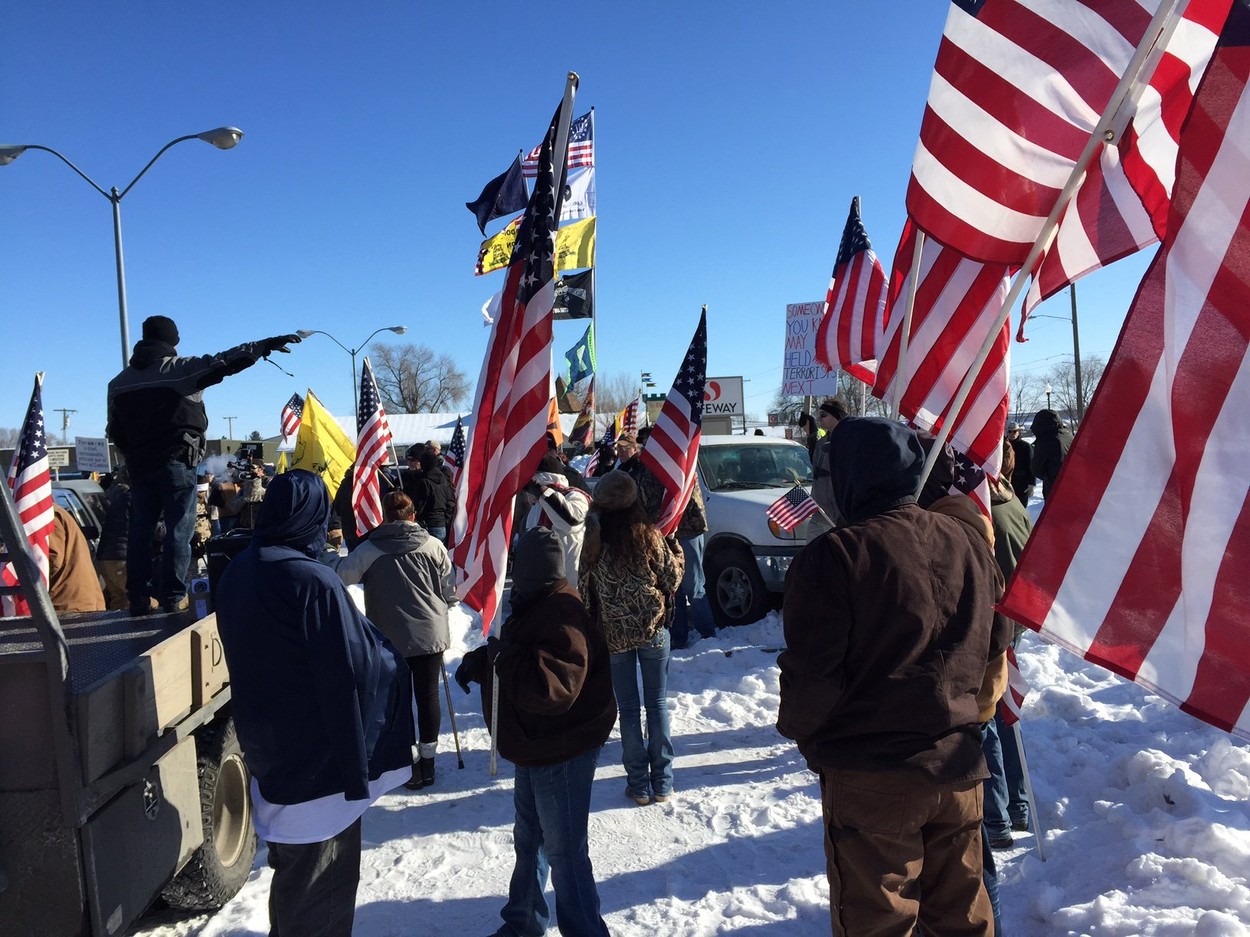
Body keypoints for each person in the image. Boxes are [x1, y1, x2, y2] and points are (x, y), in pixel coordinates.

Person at [778, 417, 1005, 936]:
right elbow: (997, 642)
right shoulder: (967, 540)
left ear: (849, 477)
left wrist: (800, 730)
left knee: (878, 925)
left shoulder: (835, 555)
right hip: (957, 766)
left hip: (873, 775)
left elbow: (813, 678)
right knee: (963, 921)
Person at [214, 469, 415, 937]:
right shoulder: (311, 581)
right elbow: (353, 671)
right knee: (321, 895)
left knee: (293, 883)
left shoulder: (240, 568)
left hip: (272, 752)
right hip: (319, 767)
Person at [456, 526, 617, 937]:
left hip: (562, 746)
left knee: (565, 851)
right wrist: (484, 660)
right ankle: (524, 921)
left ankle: (586, 931)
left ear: (531, 572)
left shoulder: (563, 613)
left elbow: (553, 688)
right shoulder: (538, 603)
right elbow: (522, 654)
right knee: (530, 840)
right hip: (536, 744)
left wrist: (502, 659)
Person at [106, 315, 300, 615]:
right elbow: (224, 362)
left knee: (140, 532)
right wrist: (262, 346)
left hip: (139, 466)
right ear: (172, 340)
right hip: (175, 462)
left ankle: (138, 599)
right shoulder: (179, 369)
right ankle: (172, 596)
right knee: (179, 530)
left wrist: (130, 456)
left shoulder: (119, 382)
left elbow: (114, 430)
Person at [334, 490, 456, 791]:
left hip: (390, 637)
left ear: (385, 516)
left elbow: (341, 575)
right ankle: (428, 761)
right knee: (428, 697)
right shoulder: (433, 545)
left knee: (397, 702)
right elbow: (449, 589)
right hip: (430, 633)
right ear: (413, 515)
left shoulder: (370, 549)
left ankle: (406, 761)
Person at [579, 470, 683, 806]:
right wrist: (675, 548)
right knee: (657, 704)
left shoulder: (592, 541)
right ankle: (663, 783)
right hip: (652, 629)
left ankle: (638, 785)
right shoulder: (648, 534)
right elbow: (671, 577)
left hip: (614, 635)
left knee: (628, 710)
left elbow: (584, 591)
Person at [526, 452, 591, 587]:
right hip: (543, 585)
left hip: (572, 585)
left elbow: (571, 521)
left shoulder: (575, 496)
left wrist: (543, 492)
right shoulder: (538, 505)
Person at [801, 398, 849, 537]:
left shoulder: (848, 441)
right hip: (819, 512)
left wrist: (842, 515)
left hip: (837, 518)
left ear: (837, 416)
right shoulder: (823, 441)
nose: (819, 418)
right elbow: (816, 464)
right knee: (811, 556)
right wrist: (811, 435)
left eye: (823, 415)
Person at [48, 504, 107, 613]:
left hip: (66, 605)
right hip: (76, 602)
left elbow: (51, 562)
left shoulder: (47, 517)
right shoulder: (53, 513)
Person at [1029, 408, 1074, 499]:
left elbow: (1036, 469)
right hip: (1072, 484)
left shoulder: (1047, 441)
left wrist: (1047, 475)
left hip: (1054, 486)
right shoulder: (1068, 436)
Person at [1006, 422, 1035, 504]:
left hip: (1021, 483)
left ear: (1018, 432)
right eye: (1010, 431)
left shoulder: (1026, 446)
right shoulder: (1003, 446)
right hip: (1006, 482)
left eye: (1014, 431)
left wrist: (1031, 483)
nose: (1012, 434)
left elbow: (1031, 465)